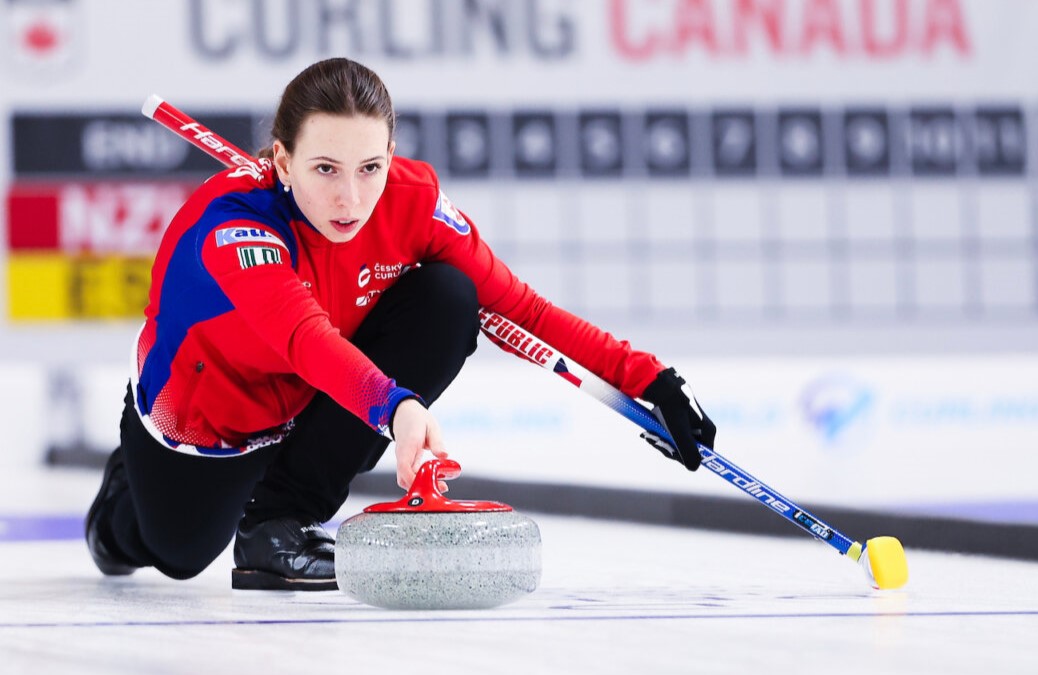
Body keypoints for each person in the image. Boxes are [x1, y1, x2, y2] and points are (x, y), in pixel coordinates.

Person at [85, 58, 717, 591]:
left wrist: (650, 379)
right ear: (282, 159)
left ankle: (280, 522)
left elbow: (520, 308)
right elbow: (305, 340)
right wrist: (397, 408)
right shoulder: (233, 225)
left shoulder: (414, 202)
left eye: (369, 168)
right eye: (325, 169)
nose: (351, 199)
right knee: (176, 554)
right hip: (209, 419)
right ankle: (121, 501)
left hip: (316, 399)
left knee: (450, 297)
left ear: (390, 155)